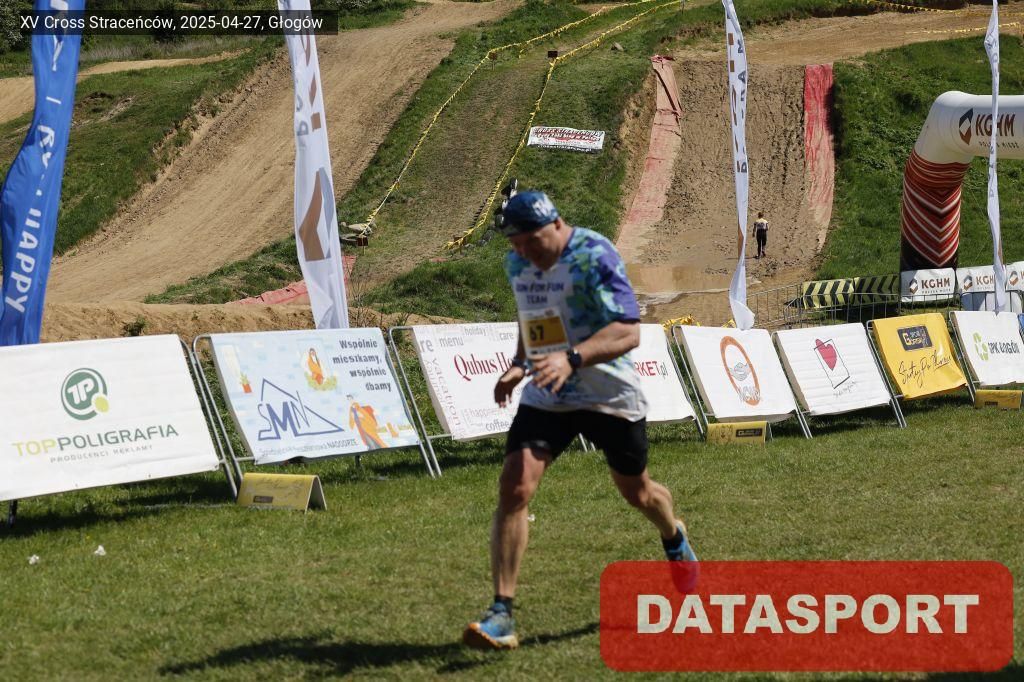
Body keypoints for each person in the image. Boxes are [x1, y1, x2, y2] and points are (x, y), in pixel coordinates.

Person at [462, 190, 698, 651]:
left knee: (638, 492)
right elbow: (533, 317)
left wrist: (571, 358)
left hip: (608, 393)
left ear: (556, 224)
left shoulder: (594, 254)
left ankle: (673, 536)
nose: (524, 253)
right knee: (514, 486)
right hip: (550, 391)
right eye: (516, 245)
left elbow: (628, 331)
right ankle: (501, 613)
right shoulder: (518, 263)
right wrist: (519, 364)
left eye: (531, 242)